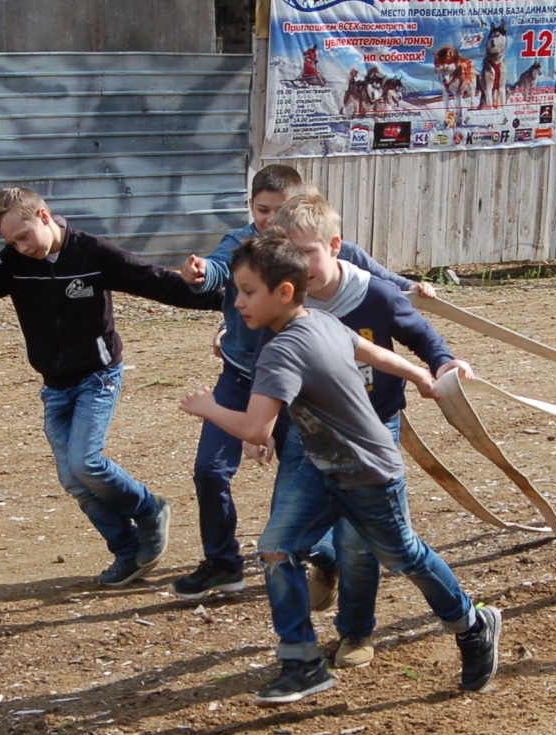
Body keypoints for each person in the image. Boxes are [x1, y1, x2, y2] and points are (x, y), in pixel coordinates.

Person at [180, 232, 501, 704]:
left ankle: (473, 624)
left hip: (367, 470)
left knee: (403, 555)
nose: (239, 302)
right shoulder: (318, 320)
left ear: (284, 292)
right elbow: (369, 352)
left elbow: (252, 428)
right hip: (320, 465)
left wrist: (207, 406)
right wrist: (417, 374)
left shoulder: (282, 349)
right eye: (237, 291)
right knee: (275, 548)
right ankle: (302, 663)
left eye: (248, 292)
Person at [171, 165, 434, 601]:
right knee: (214, 473)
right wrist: (202, 277)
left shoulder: (315, 268)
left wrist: (412, 291)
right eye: (262, 211)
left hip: (305, 393)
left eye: (280, 213)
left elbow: (374, 285)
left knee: (328, 515)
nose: (270, 222)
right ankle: (225, 565)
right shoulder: (244, 247)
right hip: (247, 374)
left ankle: (329, 570)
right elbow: (219, 271)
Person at [0, 187, 222, 587]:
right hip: (54, 385)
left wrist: (228, 301)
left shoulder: (91, 253)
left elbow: (155, 282)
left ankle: (149, 509)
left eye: (24, 235)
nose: (20, 247)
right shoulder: (14, 262)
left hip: (97, 378)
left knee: (86, 463)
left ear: (44, 216)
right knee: (73, 480)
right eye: (10, 241)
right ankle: (127, 551)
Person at [273, 190, 473, 668]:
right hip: (308, 432)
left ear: (335, 245)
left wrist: (443, 364)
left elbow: (422, 334)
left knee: (361, 545)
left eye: (308, 253)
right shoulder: (285, 303)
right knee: (282, 539)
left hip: (370, 434)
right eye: (289, 256)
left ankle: (356, 632)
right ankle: (299, 648)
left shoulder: (374, 295)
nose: (299, 266)